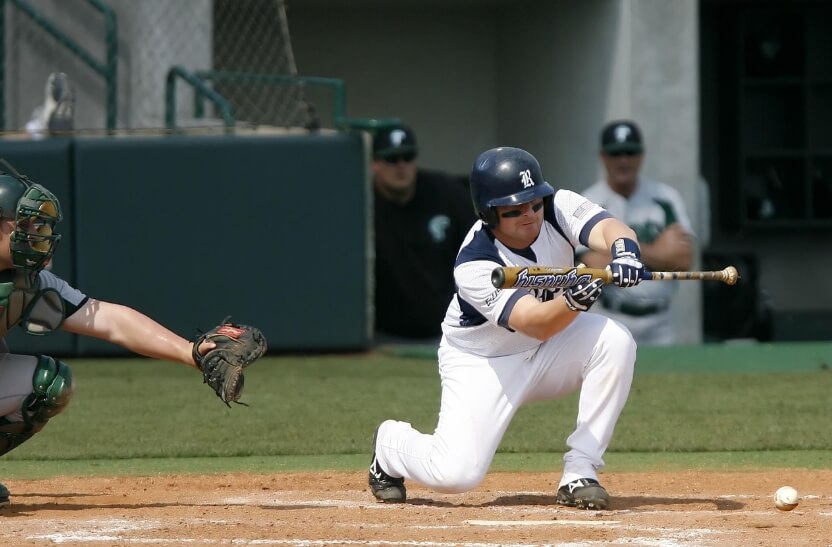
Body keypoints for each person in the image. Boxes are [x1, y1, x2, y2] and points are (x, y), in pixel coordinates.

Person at [368, 146, 644, 510]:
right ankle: (389, 445)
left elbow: (611, 228)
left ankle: (581, 470)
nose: (529, 216)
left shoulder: (558, 207)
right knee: (456, 475)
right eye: (514, 210)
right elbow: (535, 323)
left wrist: (625, 252)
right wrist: (575, 300)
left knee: (615, 340)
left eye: (534, 204)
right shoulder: (474, 264)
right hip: (482, 363)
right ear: (489, 213)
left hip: (549, 350)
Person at [0, 161, 265, 506]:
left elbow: (109, 320)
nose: (36, 232)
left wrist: (191, 352)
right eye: (24, 223)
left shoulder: (27, 281)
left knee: (49, 385)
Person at [577, 120, 695, 346]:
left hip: (660, 322)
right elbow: (592, 267)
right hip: (610, 316)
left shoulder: (665, 198)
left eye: (630, 153)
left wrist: (620, 252)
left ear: (641, 155)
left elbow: (683, 259)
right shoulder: (590, 201)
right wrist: (657, 251)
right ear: (603, 157)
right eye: (616, 153)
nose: (623, 160)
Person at [372, 124, 476, 342]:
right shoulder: (364, 205)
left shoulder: (447, 194)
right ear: (376, 164)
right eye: (392, 159)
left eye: (407, 157)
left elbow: (480, 251)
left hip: (445, 331)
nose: (401, 166)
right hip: (382, 335)